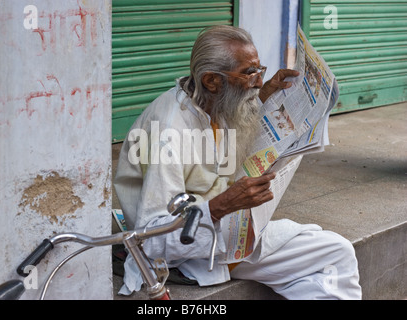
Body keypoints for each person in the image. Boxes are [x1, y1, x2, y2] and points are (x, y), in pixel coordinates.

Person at [114, 25, 362, 300]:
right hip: (196, 247)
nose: (257, 81)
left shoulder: (213, 101)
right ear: (212, 80)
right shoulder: (168, 131)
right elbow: (153, 241)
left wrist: (265, 95)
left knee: (330, 260)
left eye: (260, 70)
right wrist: (225, 204)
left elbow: (226, 140)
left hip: (229, 225)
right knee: (335, 254)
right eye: (249, 73)